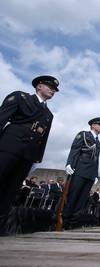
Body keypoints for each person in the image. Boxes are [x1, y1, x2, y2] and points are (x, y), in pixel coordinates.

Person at [0, 75, 58, 235]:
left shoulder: (48, 114)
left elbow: (43, 138)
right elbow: (2, 118)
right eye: (49, 87)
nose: (53, 90)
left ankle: (1, 226)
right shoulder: (21, 97)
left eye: (54, 90)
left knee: (10, 191)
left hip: (27, 155)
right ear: (39, 86)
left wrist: (37, 159)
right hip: (8, 147)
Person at [63, 117, 100, 223]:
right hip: (80, 169)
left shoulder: (98, 142)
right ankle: (65, 217)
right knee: (73, 194)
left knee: (83, 197)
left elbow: (96, 159)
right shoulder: (84, 135)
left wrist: (96, 174)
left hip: (90, 173)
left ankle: (74, 218)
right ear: (93, 125)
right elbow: (75, 149)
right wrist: (69, 163)